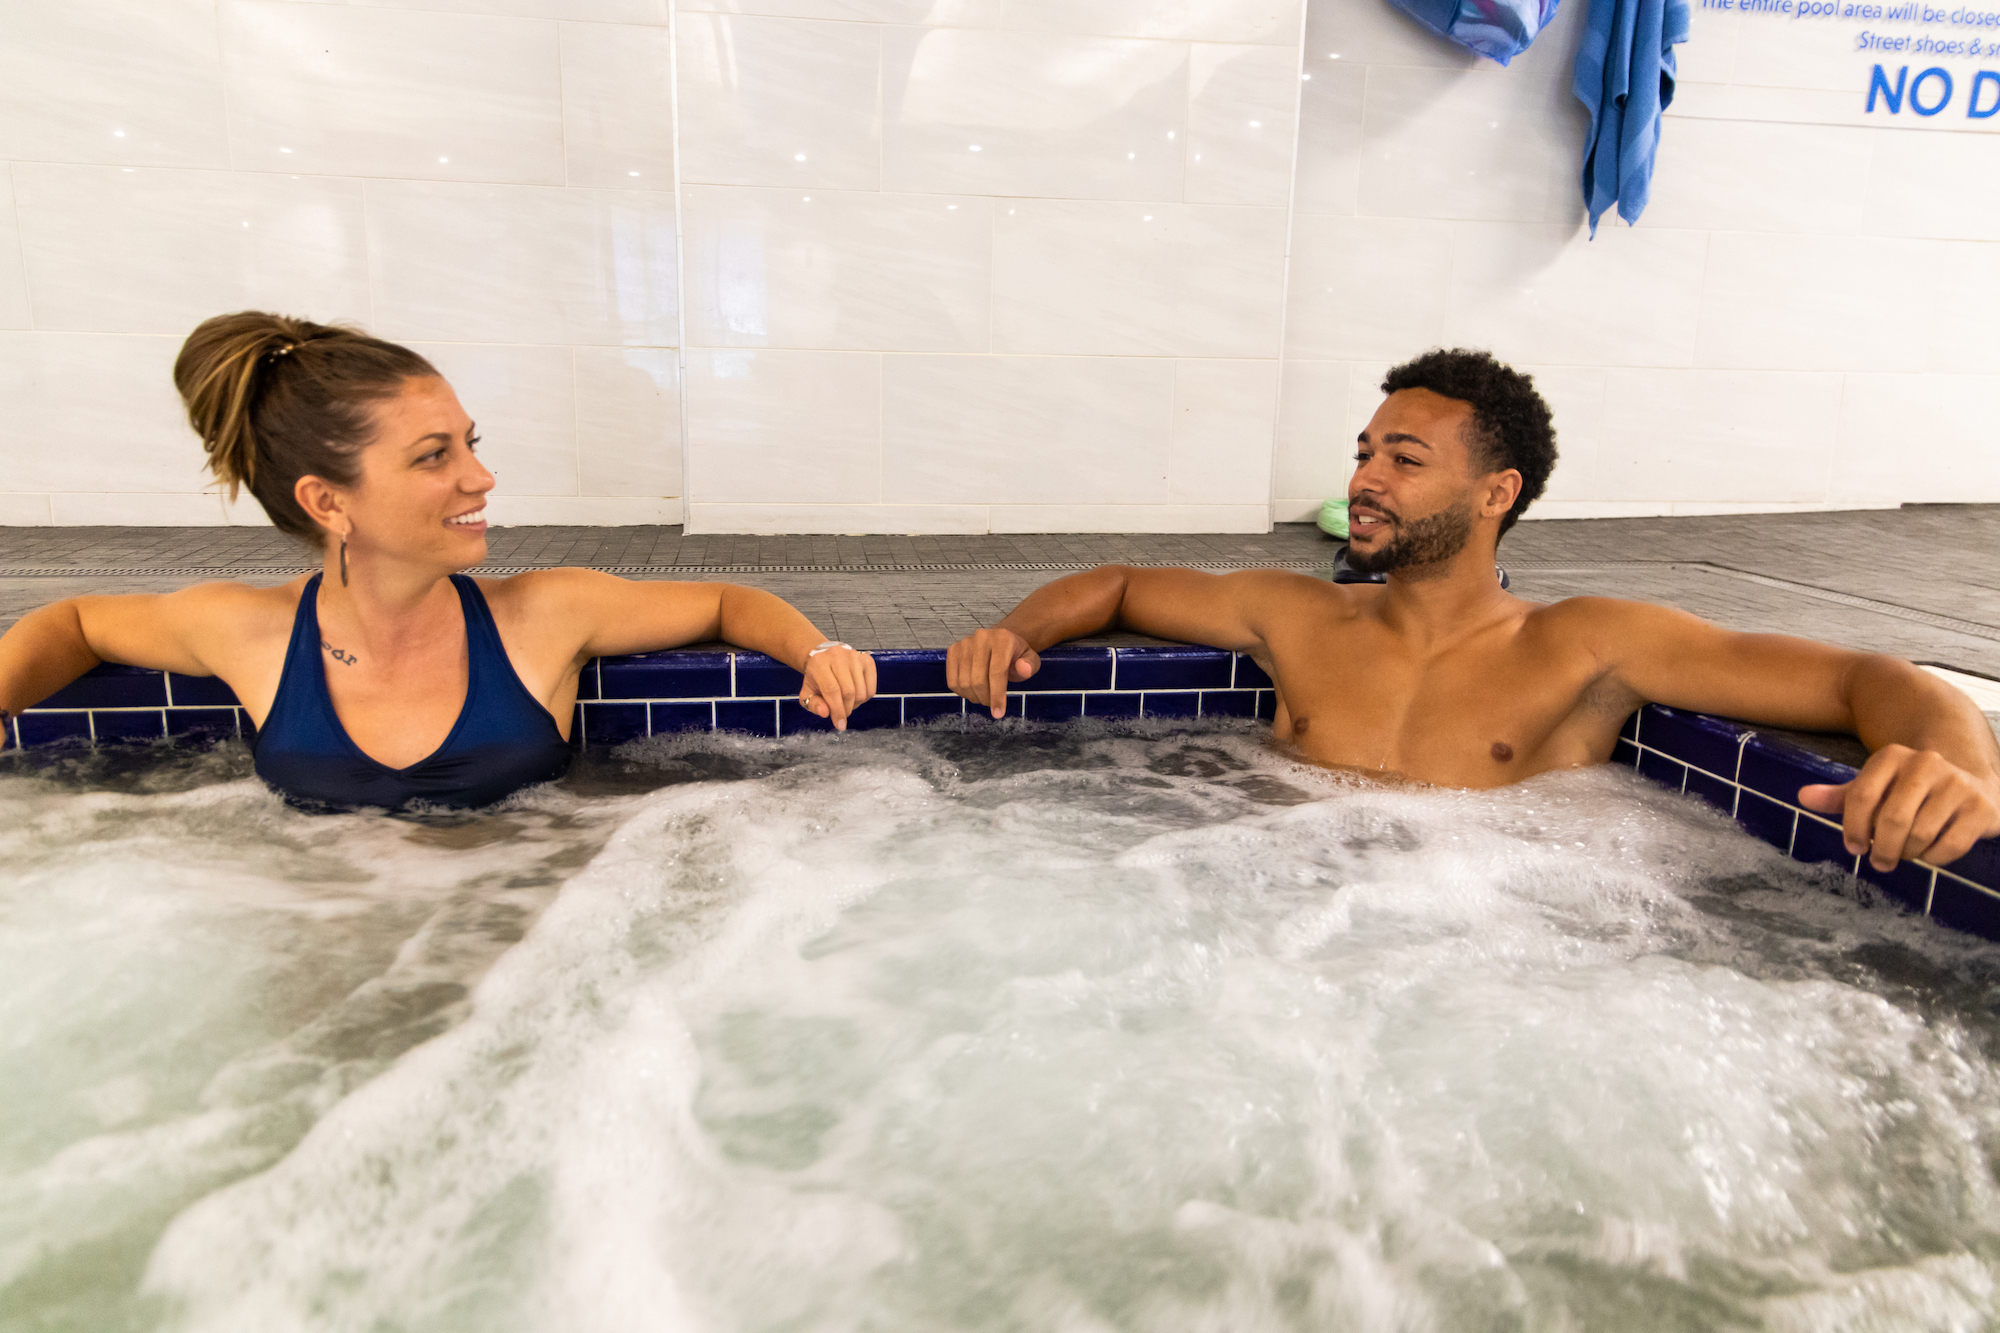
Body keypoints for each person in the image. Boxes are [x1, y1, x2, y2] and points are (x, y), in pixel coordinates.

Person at [947, 348, 2000, 874]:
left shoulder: (1585, 644)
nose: (1365, 479)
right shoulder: (1297, 615)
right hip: (1250, 905)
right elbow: (1121, 585)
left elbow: (1871, 680)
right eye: (1363, 452)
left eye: (1404, 459)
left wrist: (1957, 766)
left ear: (1495, 494)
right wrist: (1016, 631)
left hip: (1476, 945)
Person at [0, 312, 877, 809]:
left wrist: (818, 650)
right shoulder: (249, 632)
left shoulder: (546, 614)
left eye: (471, 443)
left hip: (528, 970)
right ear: (326, 501)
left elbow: (725, 602)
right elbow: (74, 621)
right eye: (433, 456)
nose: (480, 476)